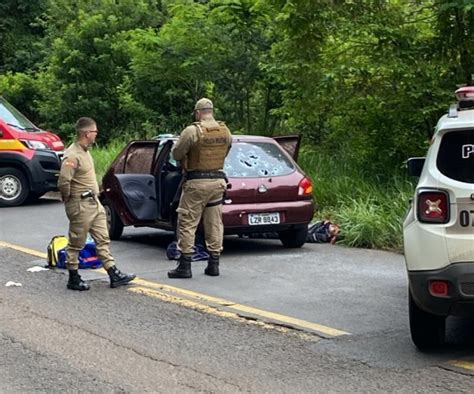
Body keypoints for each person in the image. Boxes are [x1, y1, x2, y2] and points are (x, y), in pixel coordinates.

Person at [58, 117, 136, 291]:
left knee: (103, 238)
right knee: (76, 242)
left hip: (93, 203)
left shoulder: (85, 151)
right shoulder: (72, 155)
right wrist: (69, 198)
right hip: (81, 204)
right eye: (95, 132)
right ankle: (73, 276)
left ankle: (113, 273)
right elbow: (64, 181)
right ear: (87, 133)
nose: (96, 135)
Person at [168, 98, 232, 279]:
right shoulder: (225, 130)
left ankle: (185, 266)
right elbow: (226, 151)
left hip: (196, 183)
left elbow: (176, 153)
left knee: (187, 222)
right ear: (212, 111)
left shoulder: (192, 131)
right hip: (218, 182)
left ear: (197, 113)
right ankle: (214, 264)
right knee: (214, 223)